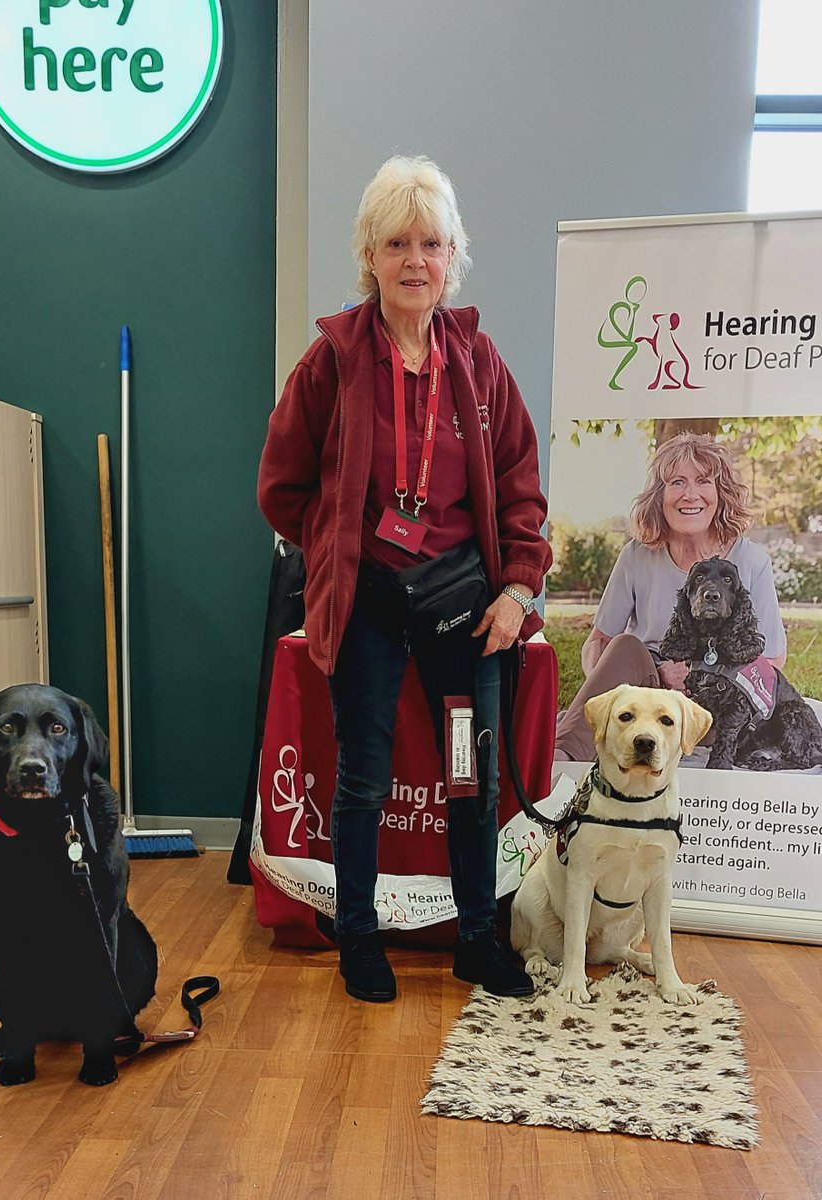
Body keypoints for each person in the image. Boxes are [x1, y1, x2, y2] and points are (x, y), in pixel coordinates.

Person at [258, 155, 551, 1003]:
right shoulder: (331, 362)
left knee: (470, 773)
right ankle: (357, 938)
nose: (414, 260)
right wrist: (341, 552)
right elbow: (282, 488)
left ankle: (474, 938)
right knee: (363, 775)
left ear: (453, 255)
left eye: (430, 242)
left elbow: (521, 485)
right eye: (397, 243)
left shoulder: (479, 361)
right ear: (371, 257)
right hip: (371, 610)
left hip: (467, 609)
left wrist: (517, 587)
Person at [554, 431, 787, 762]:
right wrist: (607, 692)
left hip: (714, 706)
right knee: (623, 645)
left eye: (703, 481)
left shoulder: (750, 560)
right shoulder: (637, 555)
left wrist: (699, 674)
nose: (690, 495)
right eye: (677, 482)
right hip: (646, 691)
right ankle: (562, 759)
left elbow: (773, 661)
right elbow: (598, 642)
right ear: (659, 496)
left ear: (720, 494)